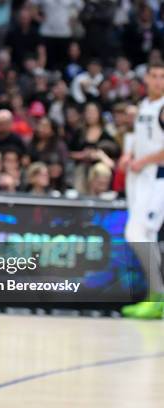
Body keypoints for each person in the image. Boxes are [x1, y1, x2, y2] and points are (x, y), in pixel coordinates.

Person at [119, 62, 164, 319]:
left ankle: (158, 296)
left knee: (137, 233)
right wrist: (127, 156)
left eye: (163, 77)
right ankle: (155, 297)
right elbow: (137, 139)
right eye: (154, 76)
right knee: (144, 235)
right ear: (146, 78)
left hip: (158, 178)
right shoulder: (144, 106)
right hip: (141, 179)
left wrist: (143, 161)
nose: (158, 81)